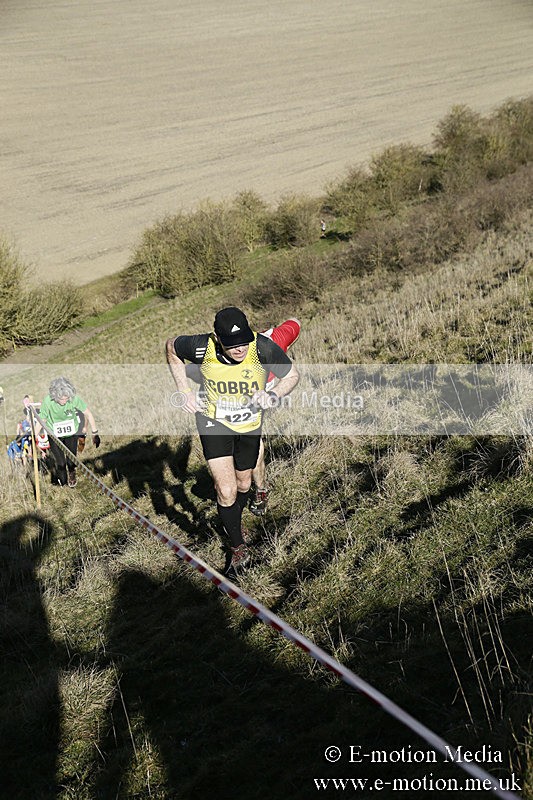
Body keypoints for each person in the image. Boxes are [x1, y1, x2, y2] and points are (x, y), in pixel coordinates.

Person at [166, 306, 299, 571]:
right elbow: (171, 347)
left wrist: (273, 396)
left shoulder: (261, 347)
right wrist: (183, 390)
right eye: (232, 346)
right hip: (213, 421)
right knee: (225, 490)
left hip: (248, 423)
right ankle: (238, 546)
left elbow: (292, 375)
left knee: (243, 482)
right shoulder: (201, 347)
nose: (239, 350)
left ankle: (235, 516)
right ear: (217, 338)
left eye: (243, 343)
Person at [249, 318, 301, 515]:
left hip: (262, 402)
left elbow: (296, 322)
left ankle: (261, 490)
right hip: (239, 403)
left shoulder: (275, 341)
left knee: (254, 446)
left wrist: (284, 350)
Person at [35, 377, 100, 488]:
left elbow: (88, 414)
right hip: (54, 435)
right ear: (55, 396)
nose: (65, 401)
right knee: (61, 463)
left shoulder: (73, 399)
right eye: (62, 399)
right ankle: (64, 485)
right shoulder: (48, 401)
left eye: (67, 398)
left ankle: (72, 473)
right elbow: (42, 420)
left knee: (71, 460)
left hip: (71, 433)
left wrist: (95, 433)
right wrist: (34, 436)